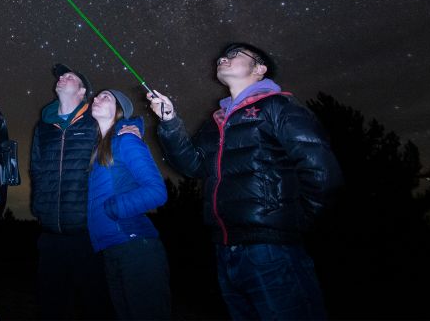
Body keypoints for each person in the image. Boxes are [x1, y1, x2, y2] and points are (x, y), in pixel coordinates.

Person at [148, 42, 343, 320]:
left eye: (234, 55)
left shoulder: (278, 106)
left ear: (259, 69)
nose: (222, 59)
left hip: (272, 249)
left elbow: (322, 171)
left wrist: (292, 223)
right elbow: (192, 166)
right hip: (226, 250)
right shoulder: (216, 122)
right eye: (221, 56)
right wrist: (169, 122)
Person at [29, 63, 112, 319]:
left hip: (87, 234)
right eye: (61, 76)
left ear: (83, 90)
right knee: (51, 307)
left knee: (95, 305)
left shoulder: (94, 122)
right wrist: (39, 208)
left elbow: (119, 136)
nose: (62, 77)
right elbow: (36, 168)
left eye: (70, 76)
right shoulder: (43, 127)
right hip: (50, 234)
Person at [88, 88, 170, 320]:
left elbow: (156, 192)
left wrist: (114, 208)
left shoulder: (127, 140)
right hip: (111, 249)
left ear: (118, 111)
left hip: (136, 248)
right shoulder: (98, 151)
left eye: (106, 97)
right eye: (97, 96)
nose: (96, 98)